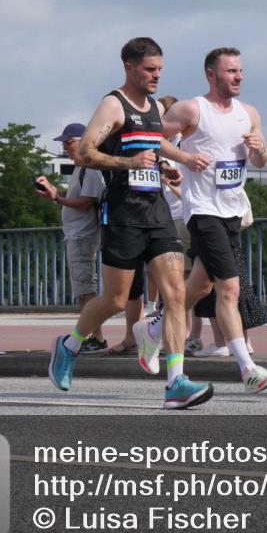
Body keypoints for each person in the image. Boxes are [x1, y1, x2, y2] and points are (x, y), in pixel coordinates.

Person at [48, 37, 211, 410]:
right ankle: (69, 345)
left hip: (155, 212)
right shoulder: (113, 105)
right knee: (115, 300)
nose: (156, 76)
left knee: (173, 294)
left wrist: (181, 160)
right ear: (129, 67)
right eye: (150, 70)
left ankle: (176, 382)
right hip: (122, 214)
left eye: (160, 70)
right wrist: (128, 164)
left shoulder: (154, 106)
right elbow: (87, 153)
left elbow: (154, 142)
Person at [143, 47, 267, 393]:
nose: (238, 77)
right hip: (202, 210)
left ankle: (154, 329)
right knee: (229, 288)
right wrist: (185, 158)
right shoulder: (191, 109)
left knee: (202, 286)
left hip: (232, 210)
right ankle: (247, 369)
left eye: (240, 71)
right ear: (211, 74)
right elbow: (152, 138)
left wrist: (260, 148)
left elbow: (261, 161)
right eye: (231, 71)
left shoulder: (248, 113)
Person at [35, 123, 109, 352]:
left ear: (83, 140)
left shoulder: (91, 167)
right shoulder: (80, 167)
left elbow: (86, 202)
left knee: (86, 289)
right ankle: (92, 335)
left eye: (69, 142)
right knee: (83, 290)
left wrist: (57, 198)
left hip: (82, 235)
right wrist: (55, 192)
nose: (65, 147)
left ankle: (95, 337)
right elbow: (78, 197)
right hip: (77, 234)